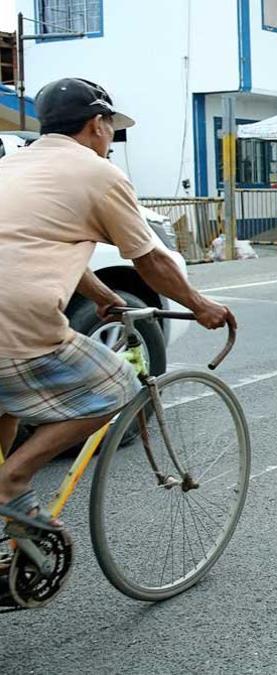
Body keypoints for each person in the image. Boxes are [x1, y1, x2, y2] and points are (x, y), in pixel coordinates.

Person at [0, 78, 236, 532]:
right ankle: (13, 481)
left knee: (8, 403)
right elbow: (149, 261)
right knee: (117, 387)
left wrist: (105, 297)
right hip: (18, 326)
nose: (111, 141)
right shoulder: (99, 174)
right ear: (96, 125)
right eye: (112, 129)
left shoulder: (12, 166)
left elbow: (39, 247)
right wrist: (200, 305)